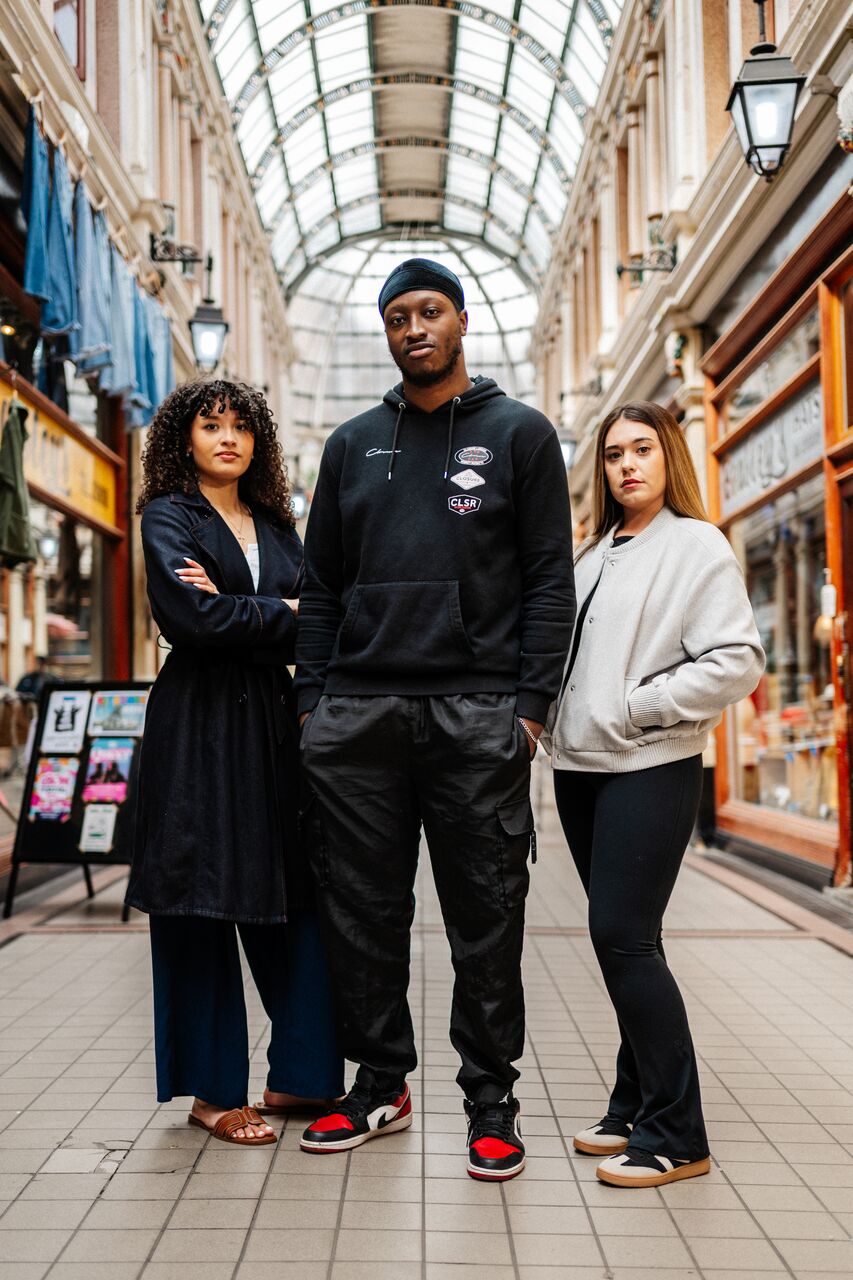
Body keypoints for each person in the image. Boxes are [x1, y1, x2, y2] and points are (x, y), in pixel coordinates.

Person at [294, 258, 575, 1181]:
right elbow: (320, 588)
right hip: (359, 718)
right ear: (387, 333)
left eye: (430, 311)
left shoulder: (519, 435)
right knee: (361, 914)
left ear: (460, 322)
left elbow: (547, 581)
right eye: (397, 316)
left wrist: (527, 710)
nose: (414, 327)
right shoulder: (349, 445)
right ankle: (378, 1082)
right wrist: (314, 706)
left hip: (476, 715)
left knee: (484, 919)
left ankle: (491, 1102)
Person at [547, 401, 764, 1188]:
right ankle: (632, 1101)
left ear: (669, 454)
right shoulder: (591, 554)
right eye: (612, 455)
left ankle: (678, 1133)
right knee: (625, 940)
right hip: (580, 769)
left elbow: (736, 659)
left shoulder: (694, 545)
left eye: (641, 449)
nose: (627, 465)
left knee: (623, 938)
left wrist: (637, 706)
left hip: (651, 763)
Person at [126, 379, 343, 1146]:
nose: (228, 438)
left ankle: (303, 1075)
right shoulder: (168, 516)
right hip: (196, 721)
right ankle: (213, 1093)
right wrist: (277, 614)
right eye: (211, 425)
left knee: (296, 885)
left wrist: (261, 614)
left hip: (274, 723)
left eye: (242, 427)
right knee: (199, 893)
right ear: (183, 438)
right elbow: (192, 615)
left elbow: (319, 620)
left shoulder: (279, 528)